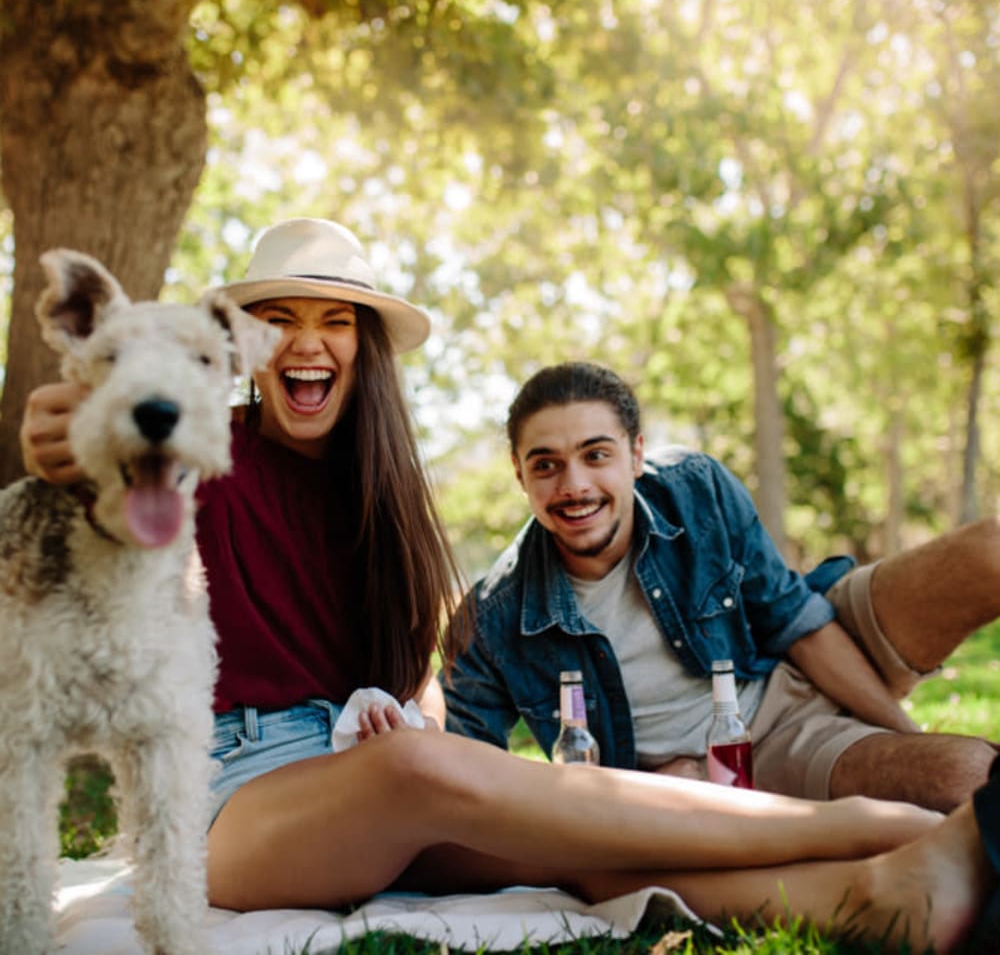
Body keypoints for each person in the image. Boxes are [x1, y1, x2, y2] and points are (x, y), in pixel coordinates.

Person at [16, 219, 1000, 952]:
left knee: (573, 848)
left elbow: (421, 677)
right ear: (245, 349)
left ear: (364, 348)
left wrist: (396, 704)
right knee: (437, 774)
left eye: (333, 321)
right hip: (226, 796)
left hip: (350, 765)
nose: (305, 342)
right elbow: (96, 435)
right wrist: (65, 424)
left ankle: (884, 886)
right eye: (278, 320)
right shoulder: (195, 447)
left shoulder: (386, 497)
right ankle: (884, 824)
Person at [443, 361, 999, 813]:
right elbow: (461, 773)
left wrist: (904, 733)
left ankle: (889, 736)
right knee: (967, 777)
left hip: (791, 656)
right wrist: (655, 789)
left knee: (990, 550)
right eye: (546, 466)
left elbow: (792, 619)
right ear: (520, 476)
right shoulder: (492, 622)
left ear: (635, 454)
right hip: (748, 759)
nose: (575, 486)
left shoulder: (694, 487)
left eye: (596, 455)